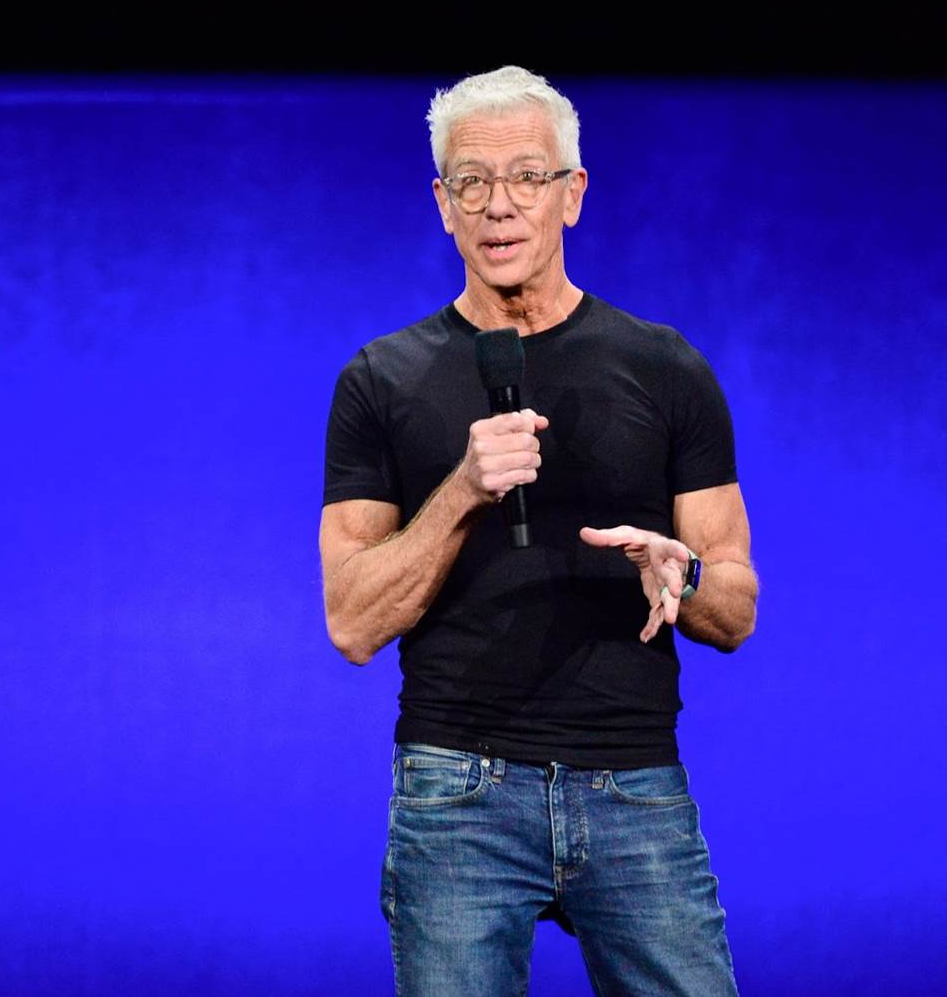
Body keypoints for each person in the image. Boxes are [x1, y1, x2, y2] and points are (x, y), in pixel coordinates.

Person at [319, 67, 758, 995]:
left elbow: (737, 605)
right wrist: (463, 490)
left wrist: (683, 576)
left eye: (527, 176)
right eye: (471, 183)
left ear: (573, 194)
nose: (499, 206)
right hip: (456, 797)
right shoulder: (380, 380)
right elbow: (352, 620)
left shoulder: (665, 367)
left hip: (634, 786)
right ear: (443, 206)